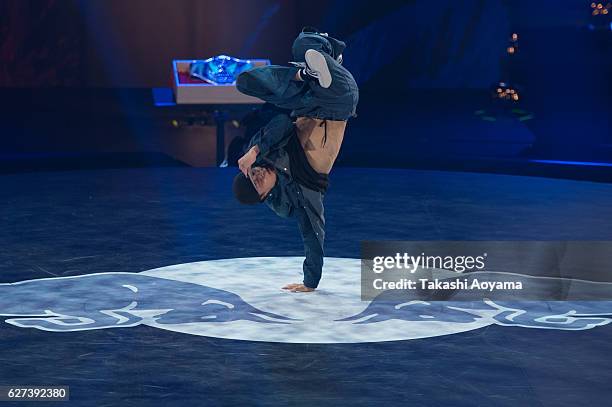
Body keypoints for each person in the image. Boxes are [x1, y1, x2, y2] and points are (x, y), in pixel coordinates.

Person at [232, 27, 359, 292]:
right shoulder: (301, 193)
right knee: (319, 59)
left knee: (248, 79)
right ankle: (329, 62)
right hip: (338, 102)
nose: (257, 175)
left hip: (307, 99)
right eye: (257, 182)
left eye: (252, 174)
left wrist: (254, 150)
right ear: (265, 197)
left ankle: (312, 69)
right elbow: (313, 234)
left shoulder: (264, 154)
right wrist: (310, 282)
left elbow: (281, 123)